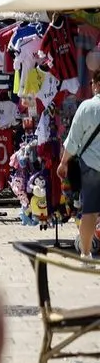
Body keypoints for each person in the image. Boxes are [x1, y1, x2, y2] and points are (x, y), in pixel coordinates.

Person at [59, 69, 100, 258]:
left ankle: (85, 253)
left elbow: (73, 140)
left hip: (91, 166)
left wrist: (63, 162)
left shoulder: (86, 107)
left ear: (96, 85)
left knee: (90, 212)